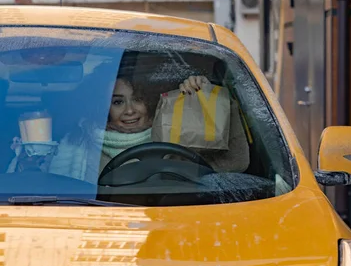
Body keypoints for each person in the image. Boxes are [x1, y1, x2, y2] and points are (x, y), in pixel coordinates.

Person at [9, 66, 250, 183]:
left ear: (151, 101)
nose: (130, 110)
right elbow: (46, 191)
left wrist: (202, 97)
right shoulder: (75, 143)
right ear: (103, 109)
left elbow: (234, 163)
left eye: (138, 99)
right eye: (117, 102)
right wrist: (26, 163)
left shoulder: (175, 135)